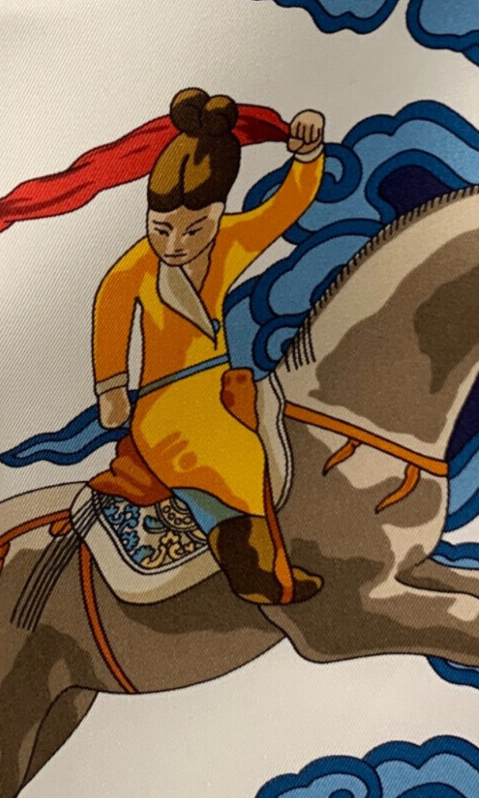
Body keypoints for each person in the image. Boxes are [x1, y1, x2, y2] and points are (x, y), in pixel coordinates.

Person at [91, 88, 326, 604]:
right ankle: (249, 567)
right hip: (165, 403)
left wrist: (308, 156)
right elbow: (110, 308)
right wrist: (112, 388)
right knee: (237, 454)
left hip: (220, 385)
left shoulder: (230, 243)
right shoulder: (136, 268)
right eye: (161, 229)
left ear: (217, 214)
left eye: (193, 229)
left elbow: (285, 208)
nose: (174, 244)